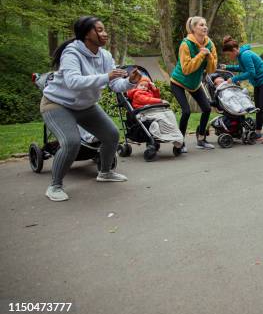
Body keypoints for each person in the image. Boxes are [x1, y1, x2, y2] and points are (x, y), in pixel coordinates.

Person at [41, 16, 141, 202]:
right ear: (87, 34)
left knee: (111, 135)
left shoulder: (105, 55)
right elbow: (73, 82)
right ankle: (54, 186)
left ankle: (105, 172)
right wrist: (106, 76)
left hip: (85, 105)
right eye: (100, 30)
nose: (105, 33)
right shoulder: (72, 53)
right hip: (57, 104)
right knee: (71, 142)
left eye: (104, 30)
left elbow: (114, 84)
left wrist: (129, 82)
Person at [170, 16, 218, 152]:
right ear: (193, 29)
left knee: (207, 108)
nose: (205, 27)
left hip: (195, 83)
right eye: (201, 25)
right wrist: (201, 55)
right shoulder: (185, 44)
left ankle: (201, 139)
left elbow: (212, 69)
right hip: (178, 82)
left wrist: (208, 56)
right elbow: (186, 69)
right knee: (186, 111)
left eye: (205, 24)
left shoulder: (210, 44)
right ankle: (180, 143)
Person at [221, 36, 263, 144]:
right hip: (259, 82)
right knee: (258, 108)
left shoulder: (245, 55)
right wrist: (227, 67)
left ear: (234, 50)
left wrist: (234, 79)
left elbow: (251, 73)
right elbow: (242, 68)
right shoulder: (241, 55)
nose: (229, 57)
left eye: (229, 54)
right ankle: (257, 132)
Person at [127, 76, 183, 147]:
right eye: (141, 85)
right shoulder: (137, 94)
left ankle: (175, 136)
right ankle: (168, 136)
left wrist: (154, 89)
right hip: (144, 112)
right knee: (162, 118)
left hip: (152, 110)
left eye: (146, 86)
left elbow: (156, 98)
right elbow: (147, 100)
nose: (144, 87)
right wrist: (160, 101)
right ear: (136, 86)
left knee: (169, 114)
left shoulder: (149, 92)